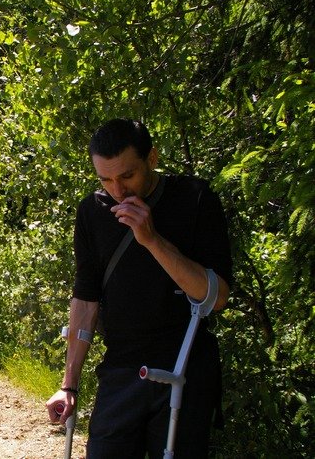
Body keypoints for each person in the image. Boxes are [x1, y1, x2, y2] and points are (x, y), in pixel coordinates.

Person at [46, 118, 232, 458]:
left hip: (185, 367)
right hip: (121, 368)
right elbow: (86, 299)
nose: (117, 190)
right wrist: (69, 386)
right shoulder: (92, 211)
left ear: (152, 158)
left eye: (127, 175)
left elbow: (216, 297)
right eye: (105, 180)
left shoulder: (194, 198)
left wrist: (151, 239)